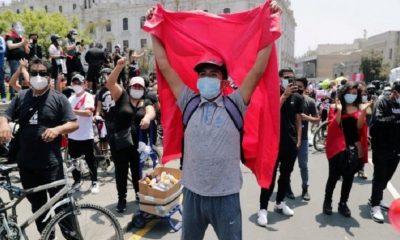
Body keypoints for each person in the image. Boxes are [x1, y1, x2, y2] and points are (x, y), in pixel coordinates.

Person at [0, 57, 78, 235]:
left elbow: (74, 124)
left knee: (63, 210)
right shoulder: (21, 96)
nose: (37, 76)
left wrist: (58, 129)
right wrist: (3, 124)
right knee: (39, 209)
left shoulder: (58, 99)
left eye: (42, 73)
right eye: (34, 73)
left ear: (49, 76)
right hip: (27, 165)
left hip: (51, 166)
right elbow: (5, 115)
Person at [106, 58, 156, 213]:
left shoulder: (145, 101)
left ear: (144, 88)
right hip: (120, 144)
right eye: (134, 85)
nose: (137, 88)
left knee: (137, 172)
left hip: (137, 145)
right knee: (121, 172)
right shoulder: (122, 96)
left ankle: (138, 195)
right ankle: (122, 199)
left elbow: (151, 111)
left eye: (140, 86)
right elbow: (110, 83)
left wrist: (147, 118)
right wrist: (118, 67)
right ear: (129, 86)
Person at [257, 69, 304, 226]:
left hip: (290, 143)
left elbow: (298, 119)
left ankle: (280, 202)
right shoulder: (271, 94)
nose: (290, 80)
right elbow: (269, 113)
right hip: (272, 143)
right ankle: (263, 209)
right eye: (286, 78)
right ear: (279, 79)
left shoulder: (298, 97)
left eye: (292, 78)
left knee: (286, 175)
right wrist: (284, 96)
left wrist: (298, 141)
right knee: (269, 177)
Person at [323, 81, 370, 217]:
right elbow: (334, 126)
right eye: (349, 92)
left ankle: (343, 203)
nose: (352, 95)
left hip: (354, 147)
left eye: (355, 93)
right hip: (337, 147)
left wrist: (364, 112)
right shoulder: (334, 106)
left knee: (349, 178)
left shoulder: (360, 107)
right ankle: (327, 202)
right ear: (344, 93)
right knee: (333, 176)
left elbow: (360, 127)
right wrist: (338, 110)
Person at [369, 81, 400, 223]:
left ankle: (376, 197)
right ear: (394, 92)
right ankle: (375, 205)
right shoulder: (382, 103)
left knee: (387, 176)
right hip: (382, 147)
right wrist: (395, 119)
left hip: (396, 149)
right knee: (379, 176)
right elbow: (377, 122)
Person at [287, 77, 320, 201]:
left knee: (303, 165)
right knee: (287, 166)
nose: (297, 89)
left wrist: (305, 117)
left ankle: (305, 188)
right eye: (295, 86)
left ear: (305, 88)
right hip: (289, 138)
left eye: (300, 87)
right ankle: (287, 188)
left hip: (304, 139)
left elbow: (317, 121)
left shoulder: (310, 102)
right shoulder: (287, 99)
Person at [68, 73, 99, 194]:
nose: (76, 85)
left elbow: (88, 113)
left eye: (78, 83)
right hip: (72, 135)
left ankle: (94, 181)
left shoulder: (88, 96)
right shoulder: (70, 98)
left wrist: (73, 111)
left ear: (84, 84)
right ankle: (77, 182)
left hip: (86, 135)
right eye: (74, 83)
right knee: (74, 161)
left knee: (90, 160)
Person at [5, 22, 30, 99]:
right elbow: (10, 46)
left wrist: (25, 45)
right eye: (16, 27)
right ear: (12, 28)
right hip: (14, 59)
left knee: (21, 77)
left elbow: (27, 51)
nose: (19, 28)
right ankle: (12, 95)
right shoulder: (10, 36)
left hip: (22, 60)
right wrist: (21, 43)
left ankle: (20, 93)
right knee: (14, 75)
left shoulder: (21, 37)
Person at [0, 28, 6, 103]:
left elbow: (3, 49)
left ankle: (3, 96)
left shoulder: (1, 39)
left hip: (0, 63)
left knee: (1, 80)